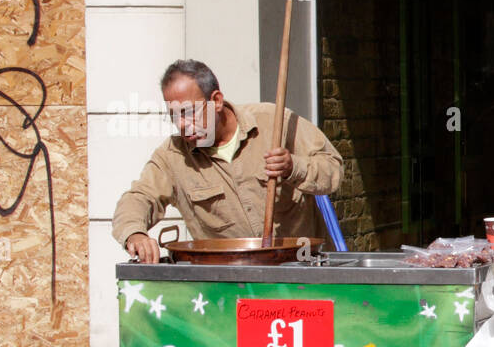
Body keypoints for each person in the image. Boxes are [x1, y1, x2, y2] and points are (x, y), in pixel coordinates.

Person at [113, 59, 343, 262]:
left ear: (217, 100)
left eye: (189, 111)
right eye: (174, 115)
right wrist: (135, 233)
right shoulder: (173, 156)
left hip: (303, 272)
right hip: (232, 286)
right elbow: (138, 198)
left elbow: (333, 170)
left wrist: (295, 168)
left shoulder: (273, 123)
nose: (182, 124)